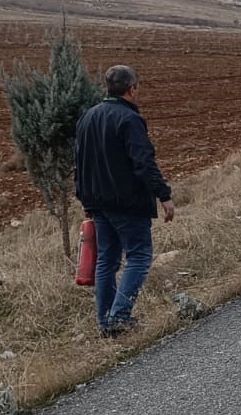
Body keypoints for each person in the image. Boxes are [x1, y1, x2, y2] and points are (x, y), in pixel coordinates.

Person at [75, 65, 175, 336]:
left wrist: (84, 197)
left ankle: (105, 323)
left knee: (106, 260)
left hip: (97, 201)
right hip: (127, 202)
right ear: (131, 89)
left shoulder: (88, 117)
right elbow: (143, 162)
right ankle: (119, 316)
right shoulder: (129, 119)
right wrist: (164, 196)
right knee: (140, 257)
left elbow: (80, 162)